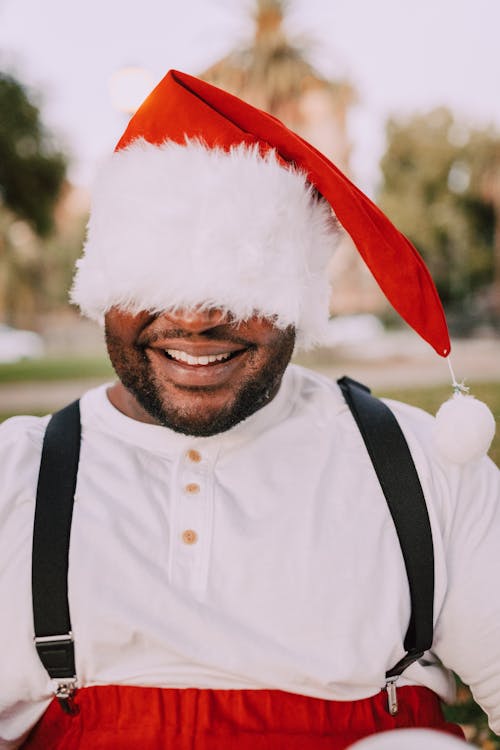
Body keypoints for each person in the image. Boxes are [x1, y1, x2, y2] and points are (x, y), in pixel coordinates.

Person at [0, 69, 499, 750]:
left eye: (241, 279)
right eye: (157, 274)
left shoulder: (426, 471)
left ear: (297, 289)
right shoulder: (14, 481)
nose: (196, 316)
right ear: (103, 284)